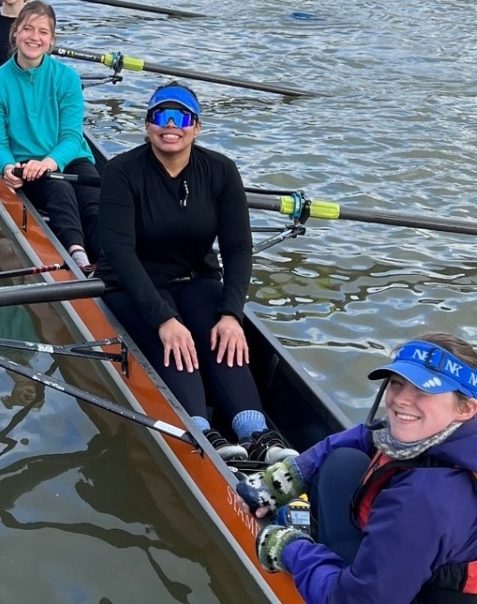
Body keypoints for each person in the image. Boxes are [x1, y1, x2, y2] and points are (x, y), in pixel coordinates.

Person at [94, 83, 296, 462]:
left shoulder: (220, 171)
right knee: (177, 347)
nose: (171, 125)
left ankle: (257, 435)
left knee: (225, 341)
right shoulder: (122, 171)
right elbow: (119, 251)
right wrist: (164, 319)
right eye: (160, 116)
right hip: (132, 282)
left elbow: (238, 249)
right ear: (147, 125)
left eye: (181, 117)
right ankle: (203, 434)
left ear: (197, 127)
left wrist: (232, 313)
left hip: (195, 279)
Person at [238, 333, 477, 604]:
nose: (400, 400)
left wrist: (290, 550)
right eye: (397, 383)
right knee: (343, 462)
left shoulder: (423, 499)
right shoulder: (449, 435)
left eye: (424, 390)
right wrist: (288, 477)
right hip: (408, 563)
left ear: (466, 408)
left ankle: (317, 561)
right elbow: (367, 434)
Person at [0, 1, 100, 271]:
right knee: (60, 190)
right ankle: (78, 257)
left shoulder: (67, 78)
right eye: (28, 29)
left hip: (70, 158)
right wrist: (7, 167)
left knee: (95, 206)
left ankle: (111, 259)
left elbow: (71, 136)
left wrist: (50, 162)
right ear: (15, 33)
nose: (35, 37)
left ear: (51, 40)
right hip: (28, 165)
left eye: (43, 32)